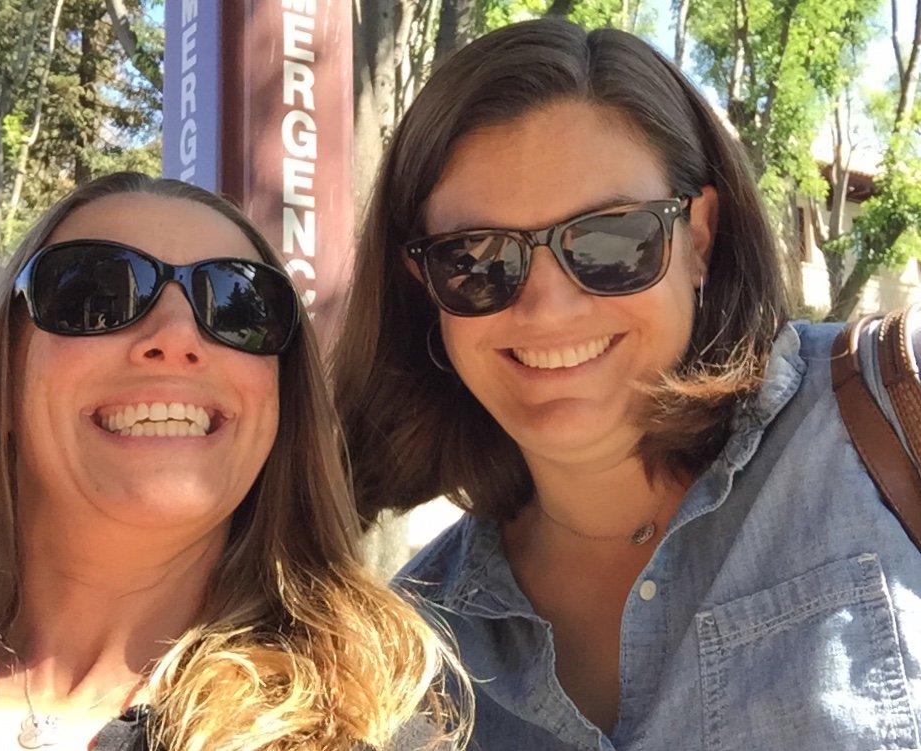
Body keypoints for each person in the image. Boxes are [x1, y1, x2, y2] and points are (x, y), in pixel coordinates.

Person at [332, 18, 921, 751]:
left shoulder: (890, 409)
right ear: (425, 286)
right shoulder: (407, 664)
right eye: (478, 259)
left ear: (698, 237)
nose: (548, 309)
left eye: (611, 239)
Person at [0, 172, 467, 751]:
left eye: (239, 307)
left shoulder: (373, 730)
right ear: (6, 377)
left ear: (283, 403)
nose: (178, 336)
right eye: (96, 298)